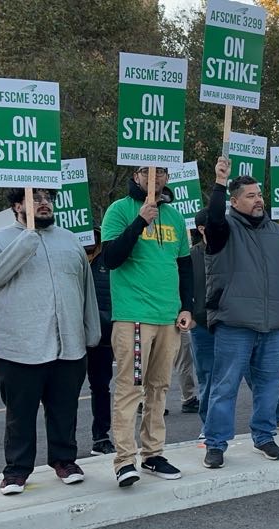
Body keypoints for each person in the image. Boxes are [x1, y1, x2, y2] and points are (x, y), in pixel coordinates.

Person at [0, 188, 101, 496]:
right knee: (20, 413)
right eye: (36, 198)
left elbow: (85, 288)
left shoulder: (70, 240)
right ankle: (16, 471)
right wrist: (25, 241)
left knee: (64, 409)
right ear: (18, 205)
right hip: (19, 348)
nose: (45, 204)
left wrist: (91, 331)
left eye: (49, 199)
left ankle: (65, 461)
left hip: (68, 343)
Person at [201, 157, 279, 469]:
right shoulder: (223, 229)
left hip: (272, 324)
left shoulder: (276, 232)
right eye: (251, 196)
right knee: (224, 387)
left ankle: (265, 435)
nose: (259, 200)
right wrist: (219, 181)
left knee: (270, 384)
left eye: (260, 194)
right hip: (235, 321)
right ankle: (215, 443)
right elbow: (214, 217)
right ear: (235, 201)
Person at [102, 165, 193, 486]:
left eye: (163, 172)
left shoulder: (177, 216)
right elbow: (110, 258)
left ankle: (153, 454)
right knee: (131, 388)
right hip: (134, 317)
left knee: (159, 388)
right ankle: (124, 460)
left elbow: (184, 265)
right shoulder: (119, 210)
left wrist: (186, 307)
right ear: (135, 174)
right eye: (148, 170)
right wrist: (140, 220)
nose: (157, 177)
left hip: (169, 317)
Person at [84, 227, 115, 456]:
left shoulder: (109, 258)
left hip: (102, 335)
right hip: (70, 336)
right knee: (63, 393)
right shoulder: (68, 256)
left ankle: (101, 437)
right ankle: (64, 446)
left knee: (101, 388)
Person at [189, 210, 213, 436]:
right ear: (202, 229)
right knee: (208, 377)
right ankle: (209, 427)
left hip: (231, 323)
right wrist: (192, 317)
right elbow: (183, 287)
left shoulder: (230, 251)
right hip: (202, 326)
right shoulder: (191, 255)